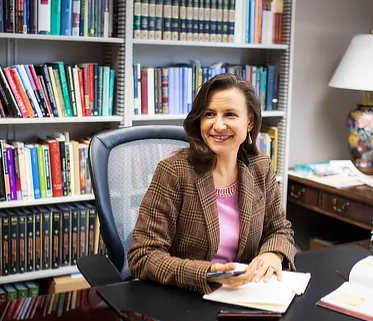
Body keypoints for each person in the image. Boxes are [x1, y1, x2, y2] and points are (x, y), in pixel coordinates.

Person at [126, 73, 297, 295]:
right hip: (185, 297)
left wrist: (272, 254)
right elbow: (143, 255)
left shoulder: (259, 167)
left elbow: (279, 228)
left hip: (244, 296)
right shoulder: (174, 172)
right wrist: (210, 273)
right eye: (209, 114)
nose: (218, 125)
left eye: (230, 115)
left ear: (249, 122)